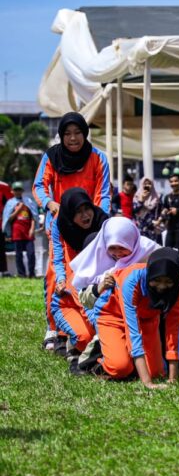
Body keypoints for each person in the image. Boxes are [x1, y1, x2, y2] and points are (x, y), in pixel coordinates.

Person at [33, 112, 111, 347]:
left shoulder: (98, 158)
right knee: (57, 275)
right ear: (61, 136)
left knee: (89, 276)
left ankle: (91, 325)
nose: (73, 138)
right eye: (67, 134)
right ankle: (53, 329)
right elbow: (38, 186)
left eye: (77, 133)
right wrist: (50, 204)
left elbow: (103, 194)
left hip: (90, 230)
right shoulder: (51, 156)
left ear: (85, 134)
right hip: (60, 227)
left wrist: (98, 221)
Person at [88, 248, 179, 386]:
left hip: (148, 318)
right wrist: (148, 383)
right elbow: (132, 331)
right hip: (112, 316)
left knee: (157, 372)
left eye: (168, 282)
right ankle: (99, 353)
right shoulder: (131, 280)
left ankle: (127, 357)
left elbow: (174, 326)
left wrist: (173, 379)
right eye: (157, 280)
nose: (162, 287)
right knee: (120, 368)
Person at [49, 188, 108, 362]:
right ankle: (67, 338)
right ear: (69, 215)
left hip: (100, 275)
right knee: (86, 337)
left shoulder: (104, 221)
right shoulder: (60, 224)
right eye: (78, 212)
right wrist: (61, 279)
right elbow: (57, 257)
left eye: (86, 209)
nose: (85, 216)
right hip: (73, 278)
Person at [2, 182, 39, 278]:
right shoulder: (10, 203)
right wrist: (17, 211)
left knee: (31, 254)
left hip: (28, 232)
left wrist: (32, 229)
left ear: (22, 191)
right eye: (15, 190)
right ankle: (21, 274)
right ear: (12, 191)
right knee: (18, 255)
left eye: (19, 190)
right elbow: (8, 219)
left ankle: (32, 274)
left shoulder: (29, 201)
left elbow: (34, 217)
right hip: (16, 232)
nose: (17, 192)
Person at [133, 177, 162, 243]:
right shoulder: (137, 197)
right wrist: (142, 200)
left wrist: (159, 220)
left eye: (149, 184)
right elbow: (134, 211)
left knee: (155, 251)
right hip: (140, 229)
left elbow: (161, 211)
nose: (147, 186)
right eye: (145, 184)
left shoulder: (157, 197)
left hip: (153, 229)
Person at [0, 180, 11, 276]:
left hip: (0, 224)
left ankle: (2, 271)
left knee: (1, 249)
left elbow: (9, 204)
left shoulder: (3, 187)